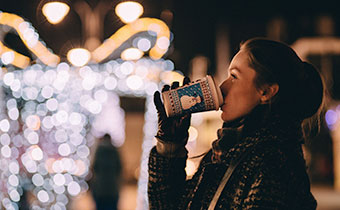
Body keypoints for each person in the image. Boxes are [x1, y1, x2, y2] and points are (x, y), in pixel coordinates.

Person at [148, 38, 325, 209]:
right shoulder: (226, 152)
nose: (223, 87)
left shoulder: (274, 164)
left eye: (234, 76)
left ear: (266, 92)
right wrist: (170, 144)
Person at [90, 134, 122, 210]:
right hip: (112, 188)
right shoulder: (114, 150)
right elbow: (119, 168)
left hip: (100, 188)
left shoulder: (99, 151)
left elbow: (94, 167)